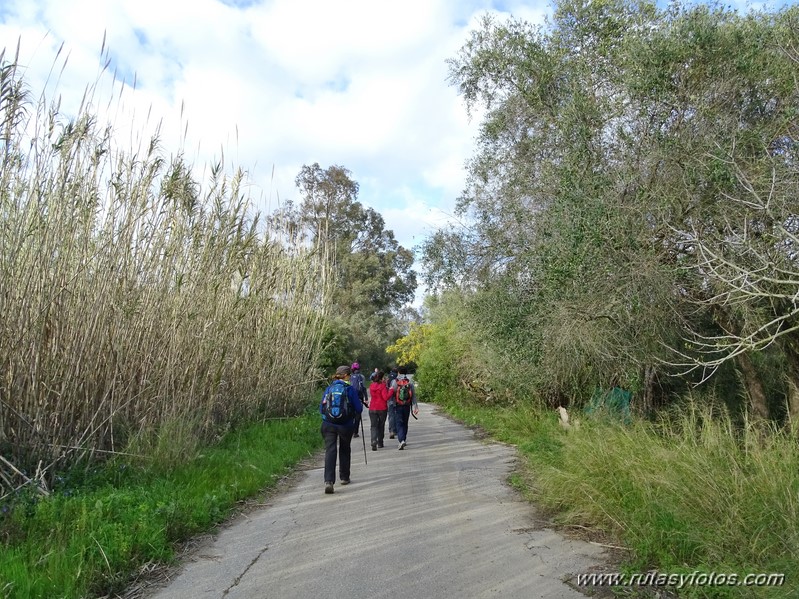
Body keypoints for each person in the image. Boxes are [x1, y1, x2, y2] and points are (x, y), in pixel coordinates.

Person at [319, 365, 363, 494]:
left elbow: (321, 408)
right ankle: (344, 477)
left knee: (330, 450)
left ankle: (328, 481)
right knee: (344, 449)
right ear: (346, 376)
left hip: (328, 424)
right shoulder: (349, 389)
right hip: (345, 425)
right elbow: (359, 409)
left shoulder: (329, 388)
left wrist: (326, 419)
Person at [389, 366, 418, 450]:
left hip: (397, 405)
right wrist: (415, 407)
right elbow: (413, 396)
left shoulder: (395, 381)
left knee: (399, 423)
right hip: (407, 406)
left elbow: (391, 393)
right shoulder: (409, 382)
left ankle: (401, 440)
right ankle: (403, 439)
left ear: (398, 372)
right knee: (405, 423)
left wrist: (390, 403)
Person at [367, 370, 390, 451]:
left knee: (373, 426)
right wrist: (390, 391)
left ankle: (373, 440)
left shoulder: (371, 385)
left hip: (372, 408)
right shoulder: (383, 386)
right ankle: (380, 442)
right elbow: (385, 397)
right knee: (381, 425)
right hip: (382, 408)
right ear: (382, 378)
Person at [349, 362, 368, 437]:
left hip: (351, 398)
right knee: (358, 415)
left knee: (351, 415)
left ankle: (350, 430)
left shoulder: (349, 377)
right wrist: (366, 398)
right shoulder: (361, 377)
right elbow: (363, 388)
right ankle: (355, 432)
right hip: (359, 398)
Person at [386, 367, 399, 439]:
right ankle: (396, 430)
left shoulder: (388, 377)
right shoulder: (397, 378)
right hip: (396, 398)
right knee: (396, 414)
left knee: (391, 415)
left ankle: (391, 430)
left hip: (389, 398)